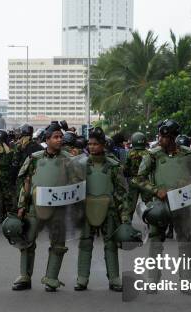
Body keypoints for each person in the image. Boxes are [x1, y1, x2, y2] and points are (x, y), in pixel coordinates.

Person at [134, 119, 191, 295]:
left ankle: (186, 281)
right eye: (159, 135)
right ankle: (153, 279)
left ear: (172, 137)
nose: (160, 139)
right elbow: (138, 178)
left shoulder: (189, 154)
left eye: (164, 136)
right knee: (156, 240)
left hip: (184, 204)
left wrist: (189, 187)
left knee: (185, 242)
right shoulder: (152, 155)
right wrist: (156, 190)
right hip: (161, 204)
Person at [11, 122, 74, 292]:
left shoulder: (68, 160)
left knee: (58, 244)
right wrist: (21, 206)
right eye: (56, 137)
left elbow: (76, 184)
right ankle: (25, 276)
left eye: (61, 137)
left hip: (59, 208)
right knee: (27, 242)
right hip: (35, 207)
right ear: (47, 139)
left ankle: (51, 278)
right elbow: (26, 182)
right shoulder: (34, 158)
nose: (60, 140)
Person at [75, 129, 130, 292]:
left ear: (103, 145)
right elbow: (73, 190)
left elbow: (121, 193)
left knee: (111, 244)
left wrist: (125, 216)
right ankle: (82, 278)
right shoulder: (80, 165)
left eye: (96, 144)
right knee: (85, 243)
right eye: (90, 144)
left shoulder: (114, 166)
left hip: (110, 210)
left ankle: (114, 278)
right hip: (86, 209)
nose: (92, 147)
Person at [124, 131, 150, 219]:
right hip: (145, 182)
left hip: (133, 181)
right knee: (148, 205)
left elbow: (126, 168)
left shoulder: (130, 153)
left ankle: (127, 227)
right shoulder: (148, 153)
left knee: (130, 207)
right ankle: (151, 227)